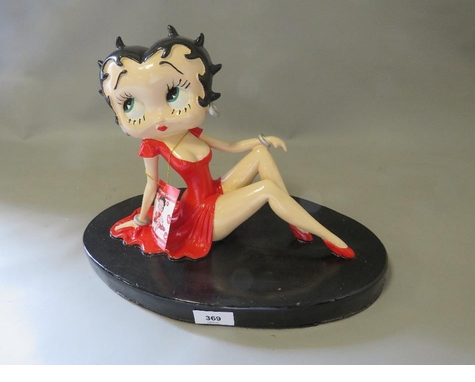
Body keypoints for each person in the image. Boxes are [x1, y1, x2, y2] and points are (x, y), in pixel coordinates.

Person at [98, 26, 355, 260]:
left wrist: (263, 140)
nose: (158, 117)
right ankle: (330, 238)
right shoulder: (154, 144)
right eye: (130, 104)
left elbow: (230, 147)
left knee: (259, 154)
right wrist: (142, 219)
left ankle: (295, 222)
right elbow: (151, 185)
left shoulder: (190, 133)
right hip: (203, 216)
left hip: (216, 191)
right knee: (266, 189)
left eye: (173, 94)